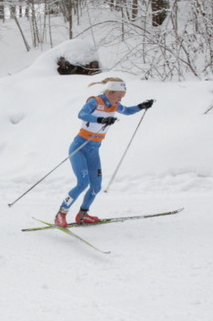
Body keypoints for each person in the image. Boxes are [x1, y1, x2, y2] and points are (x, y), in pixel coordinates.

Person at [54, 78, 154, 227]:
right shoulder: (95, 101)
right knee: (82, 183)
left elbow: (127, 111)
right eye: (119, 96)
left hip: (94, 150)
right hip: (80, 147)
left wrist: (141, 106)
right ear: (110, 92)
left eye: (122, 97)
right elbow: (82, 114)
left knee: (96, 186)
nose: (120, 100)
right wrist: (100, 119)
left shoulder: (115, 105)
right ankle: (61, 214)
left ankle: (82, 215)